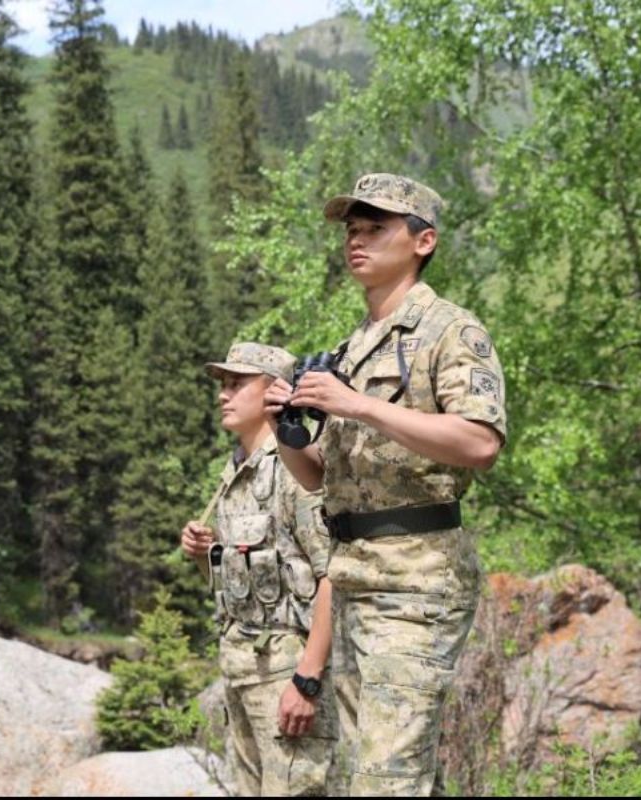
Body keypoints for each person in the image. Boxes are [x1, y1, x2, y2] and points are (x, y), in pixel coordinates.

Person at [264, 173, 507, 796]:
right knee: (381, 776)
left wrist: (360, 406)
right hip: (354, 579)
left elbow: (480, 443)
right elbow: (322, 479)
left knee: (386, 781)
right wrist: (287, 433)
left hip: (416, 581)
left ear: (423, 241)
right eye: (352, 230)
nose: (357, 241)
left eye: (376, 228)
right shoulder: (355, 347)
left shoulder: (451, 331)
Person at [181, 342, 337, 796]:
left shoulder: (295, 470)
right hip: (242, 676)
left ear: (273, 391)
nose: (222, 395)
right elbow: (249, 585)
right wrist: (204, 557)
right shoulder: (236, 473)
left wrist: (306, 680)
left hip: (286, 679)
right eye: (221, 385)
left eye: (236, 384)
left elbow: (333, 575)